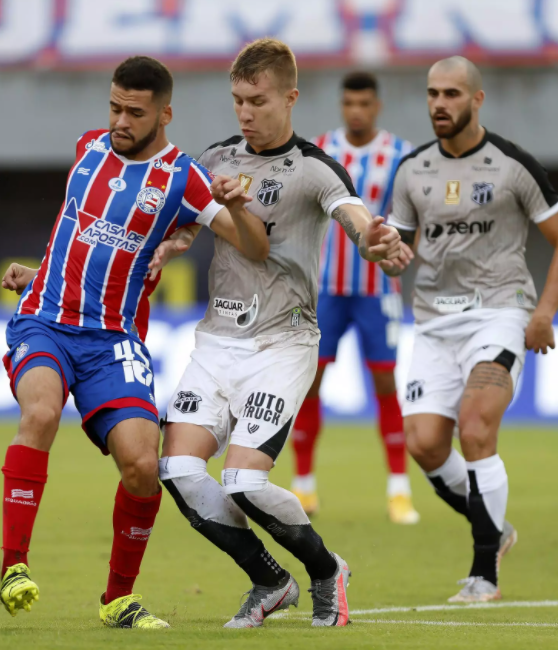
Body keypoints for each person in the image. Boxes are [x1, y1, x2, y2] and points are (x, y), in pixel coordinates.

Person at [0, 56, 269, 630]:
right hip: (44, 319)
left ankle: (118, 599)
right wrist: (40, 270)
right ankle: (14, 566)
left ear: (164, 114)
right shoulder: (87, 148)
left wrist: (240, 211)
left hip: (113, 340)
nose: (120, 121)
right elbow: (74, 225)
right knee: (41, 411)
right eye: (115, 107)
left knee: (145, 465)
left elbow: (255, 247)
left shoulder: (183, 179)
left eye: (134, 112)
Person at [155, 38, 404, 629]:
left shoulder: (315, 169)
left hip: (283, 344)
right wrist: (171, 244)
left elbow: (353, 216)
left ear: (290, 98)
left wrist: (376, 238)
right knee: (179, 471)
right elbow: (184, 224)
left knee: (242, 480)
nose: (245, 112)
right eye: (238, 100)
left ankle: (326, 571)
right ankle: (269, 581)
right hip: (216, 343)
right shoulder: (213, 160)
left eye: (258, 100)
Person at [385, 57, 558, 603]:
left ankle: (483, 574)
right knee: (424, 444)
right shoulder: (412, 170)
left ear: (477, 99)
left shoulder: (513, 165)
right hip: (432, 322)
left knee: (474, 429)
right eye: (432, 93)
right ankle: (498, 531)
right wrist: (385, 253)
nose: (439, 104)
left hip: (500, 312)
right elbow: (398, 250)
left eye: (451, 93)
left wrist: (543, 313)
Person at [290, 71, 419, 525]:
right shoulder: (319, 149)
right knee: (310, 382)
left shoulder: (401, 155)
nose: (356, 111)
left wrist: (405, 252)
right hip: (324, 288)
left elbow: (412, 217)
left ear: (376, 106)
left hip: (377, 289)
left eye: (364, 103)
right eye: (349, 103)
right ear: (342, 106)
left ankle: (399, 490)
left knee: (386, 384)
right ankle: (303, 487)